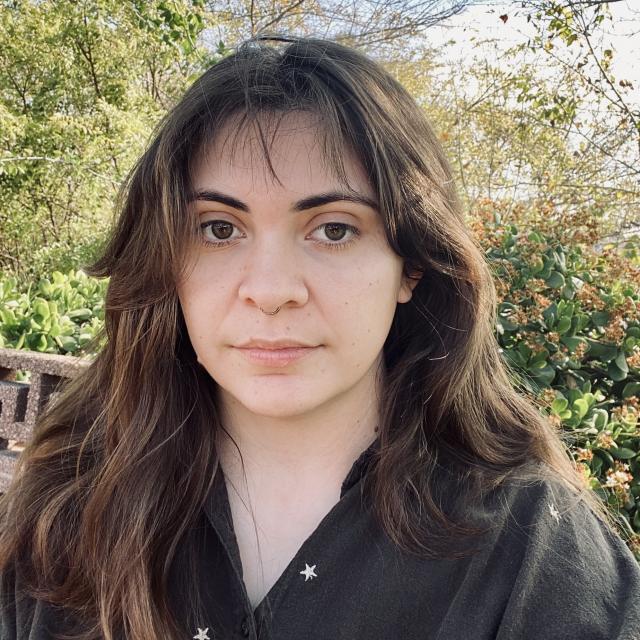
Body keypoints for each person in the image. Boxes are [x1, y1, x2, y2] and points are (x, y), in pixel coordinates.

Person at [0, 35, 639, 640]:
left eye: (333, 229)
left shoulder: (532, 549)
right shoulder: (68, 510)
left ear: (411, 264)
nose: (271, 289)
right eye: (219, 229)